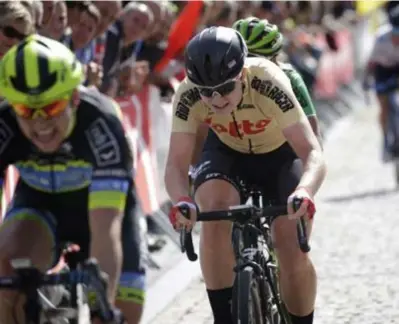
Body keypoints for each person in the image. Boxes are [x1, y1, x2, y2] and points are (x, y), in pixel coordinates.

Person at [164, 26, 326, 324]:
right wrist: (181, 200)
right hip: (227, 152)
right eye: (207, 93)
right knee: (212, 214)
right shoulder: (187, 94)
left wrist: (304, 190)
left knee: (289, 244)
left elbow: (312, 152)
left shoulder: (267, 80)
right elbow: (175, 164)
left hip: (279, 155)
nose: (216, 100)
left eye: (226, 88)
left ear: (242, 73)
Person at [0, 35, 145, 324]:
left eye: (52, 108)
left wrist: (103, 303)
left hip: (105, 215)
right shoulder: (4, 125)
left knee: (115, 311)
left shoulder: (100, 123)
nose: (40, 121)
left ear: (74, 97)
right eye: (26, 110)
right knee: (6, 283)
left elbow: (106, 229)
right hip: (40, 205)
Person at [232, 17, 322, 143]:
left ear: (274, 59)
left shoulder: (290, 78)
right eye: (244, 61)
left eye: (257, 61)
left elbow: (313, 133)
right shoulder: (222, 79)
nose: (249, 68)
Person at [366, 1, 399, 161]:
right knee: (384, 106)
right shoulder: (381, 37)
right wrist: (366, 81)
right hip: (383, 70)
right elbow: (370, 63)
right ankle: (386, 138)